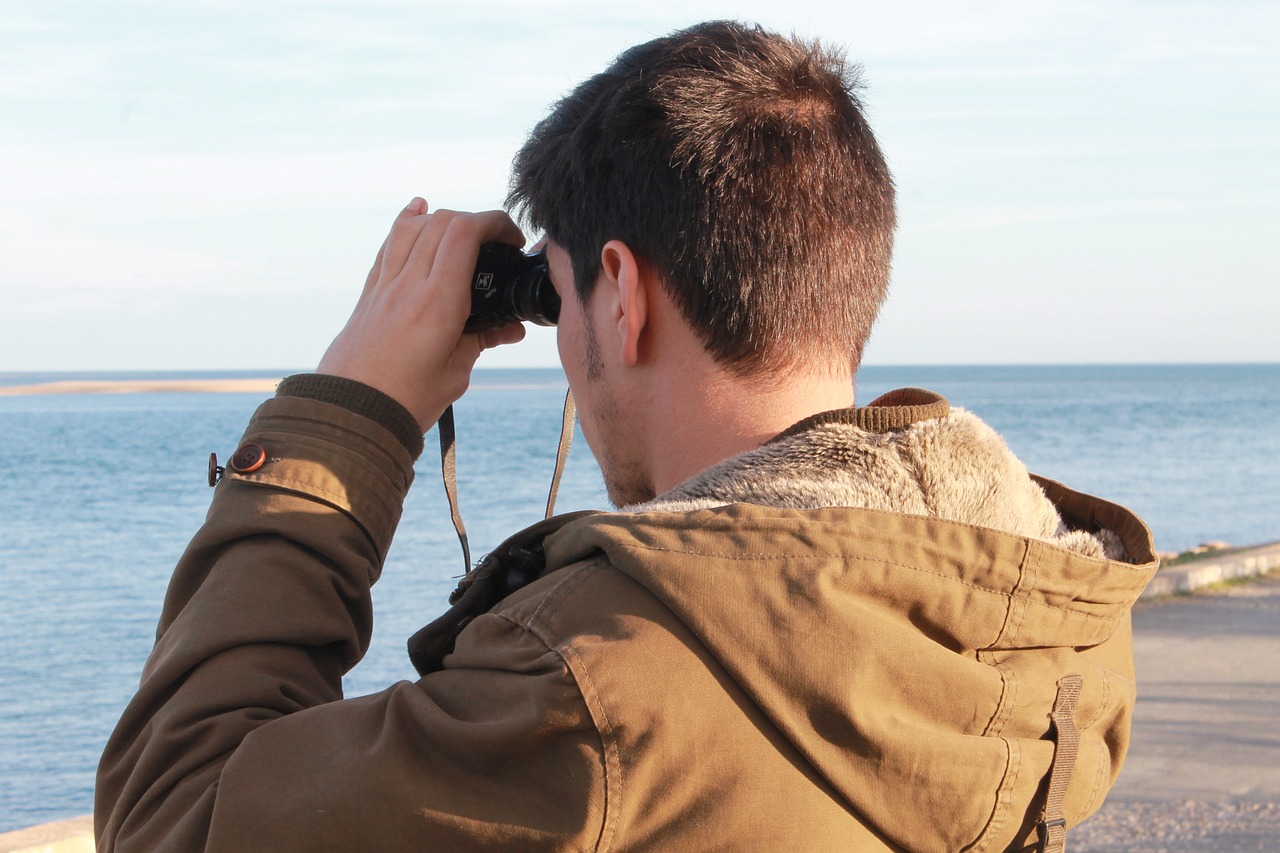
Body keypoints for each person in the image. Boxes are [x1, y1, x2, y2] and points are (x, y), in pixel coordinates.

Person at [95, 20, 1157, 853]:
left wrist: (346, 412)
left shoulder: (596, 689)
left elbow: (170, 815)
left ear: (619, 291)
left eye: (558, 299)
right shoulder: (1042, 608)